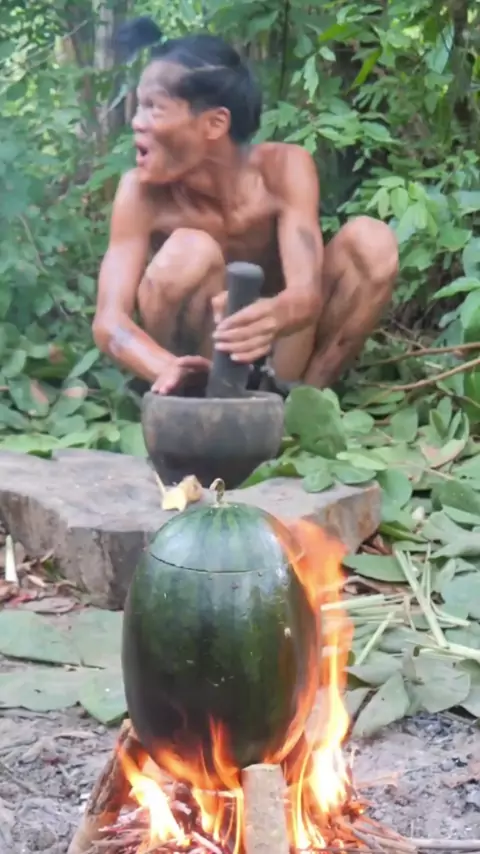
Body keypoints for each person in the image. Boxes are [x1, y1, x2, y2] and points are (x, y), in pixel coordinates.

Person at [93, 17, 399, 396]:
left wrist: (272, 315)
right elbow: (109, 321)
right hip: (200, 364)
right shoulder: (139, 193)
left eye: (153, 108)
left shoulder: (285, 169)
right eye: (139, 107)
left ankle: (303, 403)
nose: (136, 123)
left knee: (372, 241)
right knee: (189, 250)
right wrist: (163, 366)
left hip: (282, 348)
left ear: (214, 123)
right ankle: (193, 403)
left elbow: (306, 293)